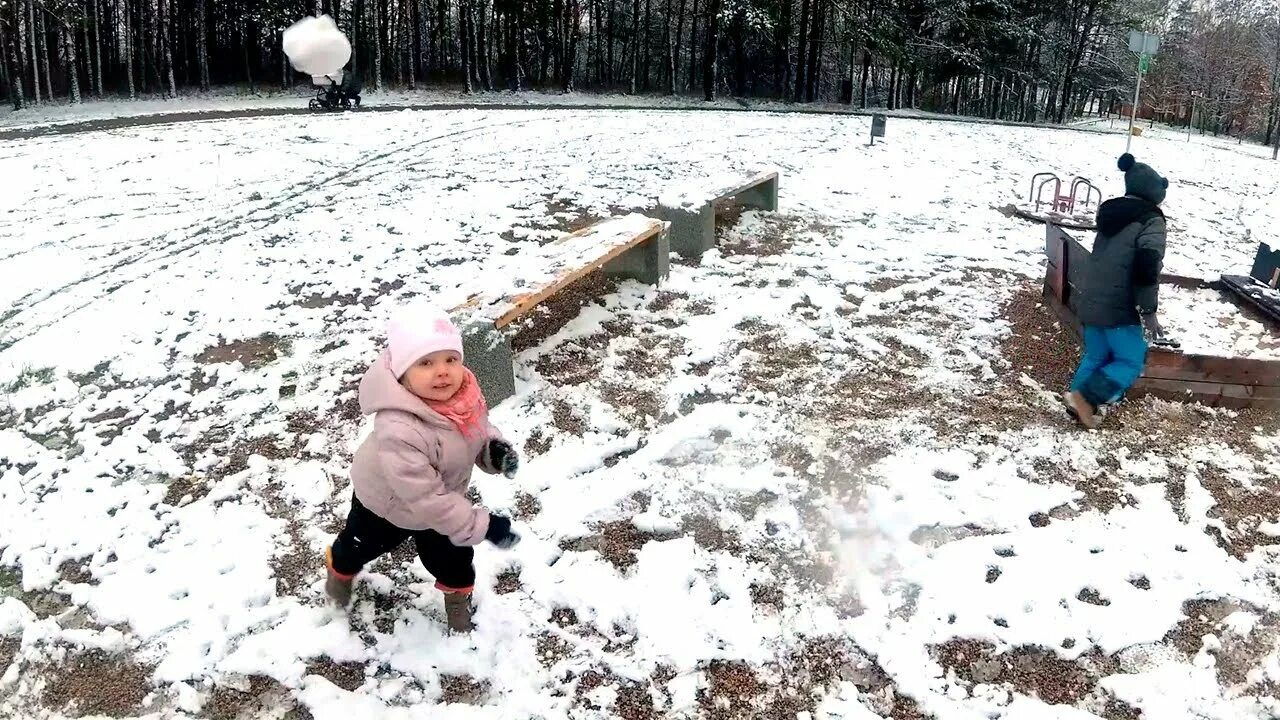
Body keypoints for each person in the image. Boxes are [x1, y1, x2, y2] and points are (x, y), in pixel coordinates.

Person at [324, 305, 521, 632]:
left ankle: (458, 606)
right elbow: (427, 497)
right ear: (402, 374)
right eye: (426, 363)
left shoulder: (462, 394)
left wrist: (492, 450)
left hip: (443, 500)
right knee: (358, 547)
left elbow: (474, 429)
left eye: (450, 359)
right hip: (386, 505)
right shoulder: (399, 427)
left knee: (455, 562)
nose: (442, 371)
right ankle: (339, 571)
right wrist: (482, 526)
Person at [1063, 153, 1170, 429]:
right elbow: (1147, 266)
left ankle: (1076, 400)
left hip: (1091, 298)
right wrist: (1148, 311)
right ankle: (1085, 399)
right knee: (1131, 359)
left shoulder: (1111, 214)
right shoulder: (1151, 221)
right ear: (1154, 193)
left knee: (1096, 355)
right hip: (1118, 305)